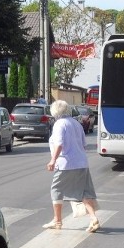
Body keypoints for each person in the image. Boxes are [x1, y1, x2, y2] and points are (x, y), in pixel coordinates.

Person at [44, 100, 99, 233]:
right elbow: (83, 145)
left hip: (65, 163)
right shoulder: (76, 123)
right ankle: (93, 218)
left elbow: (59, 144)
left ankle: (57, 220)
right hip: (81, 162)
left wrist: (52, 160)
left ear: (55, 112)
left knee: (56, 190)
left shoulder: (59, 124)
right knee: (83, 191)